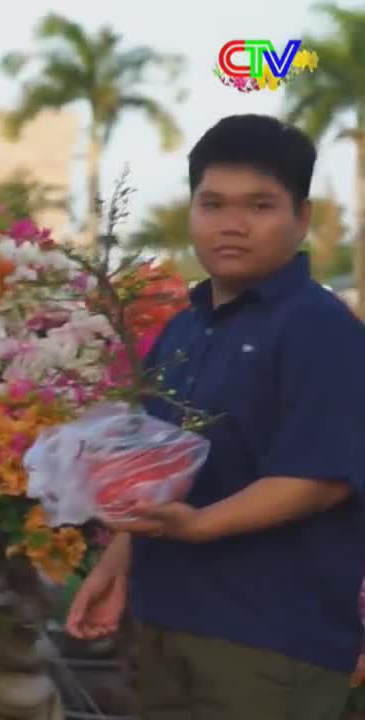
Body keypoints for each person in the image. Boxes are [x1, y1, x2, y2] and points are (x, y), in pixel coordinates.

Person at [65, 114, 365, 720]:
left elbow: (321, 477)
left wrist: (199, 526)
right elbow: (154, 467)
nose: (232, 224)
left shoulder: (318, 327)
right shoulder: (185, 326)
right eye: (213, 203)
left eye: (260, 205)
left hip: (268, 638)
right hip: (168, 619)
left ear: (301, 218)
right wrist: (118, 561)